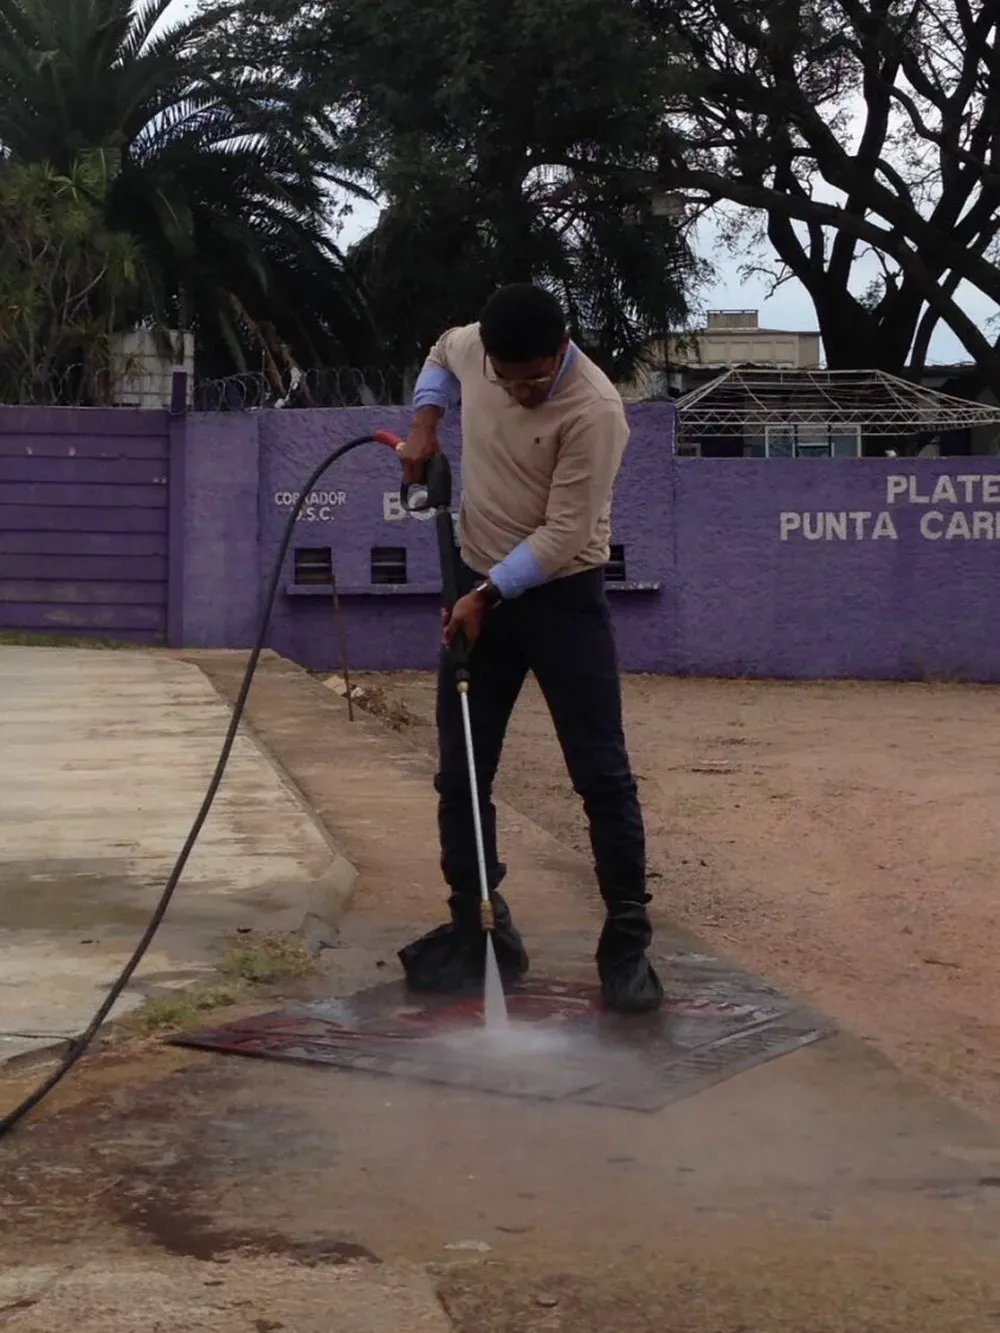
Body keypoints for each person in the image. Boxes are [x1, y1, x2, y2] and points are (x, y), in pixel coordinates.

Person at [396, 283, 662, 1013]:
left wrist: (486, 595)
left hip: (562, 599)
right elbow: (437, 356)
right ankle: (480, 929)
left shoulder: (595, 410)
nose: (518, 391)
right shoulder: (473, 350)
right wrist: (426, 424)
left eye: (533, 378)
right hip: (481, 593)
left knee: (601, 774)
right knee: (461, 773)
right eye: (506, 378)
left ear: (560, 350)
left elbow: (566, 533)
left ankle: (627, 945)